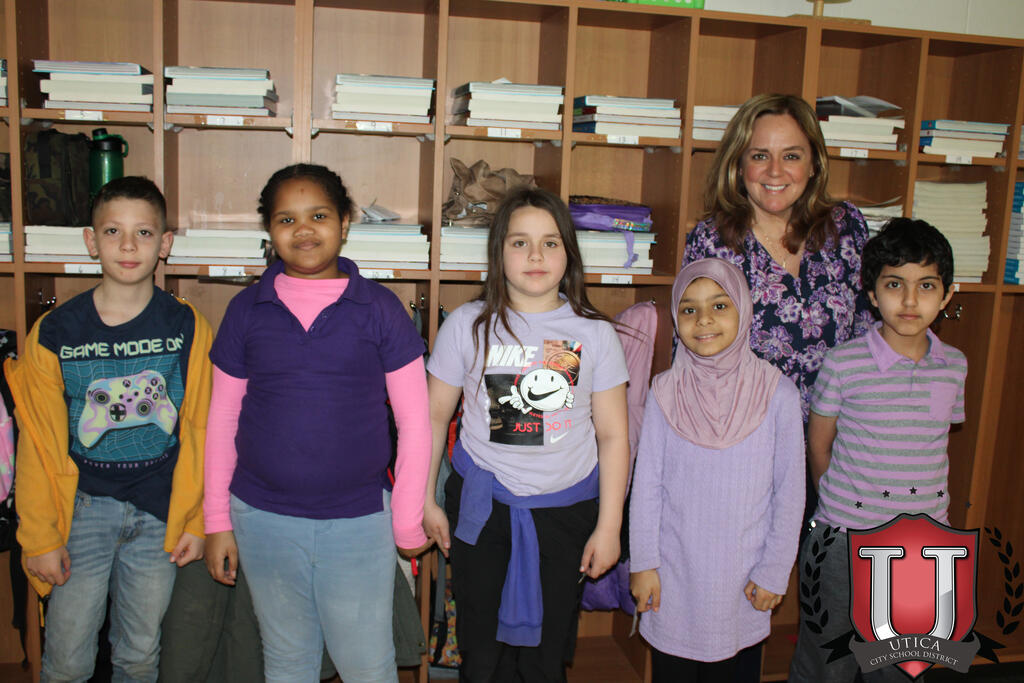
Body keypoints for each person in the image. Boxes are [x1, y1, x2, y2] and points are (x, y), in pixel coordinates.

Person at [201, 163, 431, 682]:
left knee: (366, 664)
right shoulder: (246, 310)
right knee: (287, 658)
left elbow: (416, 422)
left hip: (359, 520)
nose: (303, 230)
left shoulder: (380, 309)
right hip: (262, 518)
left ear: (345, 222)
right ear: (269, 229)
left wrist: (406, 519)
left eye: (319, 216)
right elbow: (222, 421)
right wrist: (217, 521)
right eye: (287, 219)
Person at [4, 176, 212, 681]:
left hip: (159, 512)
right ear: (91, 241)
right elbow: (38, 440)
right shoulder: (55, 332)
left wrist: (196, 520)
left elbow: (203, 428)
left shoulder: (187, 326)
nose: (128, 245)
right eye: (113, 231)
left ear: (164, 244)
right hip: (83, 511)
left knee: (139, 654)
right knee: (67, 657)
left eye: (144, 233)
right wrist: (39, 537)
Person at [422, 187, 630, 682]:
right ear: (498, 253)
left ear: (568, 253)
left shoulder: (596, 334)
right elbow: (432, 417)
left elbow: (614, 437)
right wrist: (425, 499)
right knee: (482, 653)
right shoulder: (467, 325)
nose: (535, 256)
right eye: (520, 243)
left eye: (550, 243)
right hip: (482, 511)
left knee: (545, 657)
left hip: (566, 516)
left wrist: (609, 527)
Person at [788, 218, 966, 683]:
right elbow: (819, 444)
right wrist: (844, 508)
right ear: (871, 293)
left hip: (921, 549)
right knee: (826, 664)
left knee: (902, 668)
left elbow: (935, 443)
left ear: (947, 295)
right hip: (841, 543)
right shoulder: (843, 363)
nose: (909, 301)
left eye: (926, 286)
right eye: (894, 284)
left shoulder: (954, 366)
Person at [629, 258, 805, 682]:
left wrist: (774, 572)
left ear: (743, 310)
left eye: (720, 306)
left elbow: (790, 494)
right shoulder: (664, 390)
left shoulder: (778, 393)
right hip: (673, 579)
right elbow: (647, 486)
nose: (703, 319)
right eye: (688, 309)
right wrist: (643, 564)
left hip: (744, 581)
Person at [682, 93, 875, 420]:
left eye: (791, 156)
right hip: (746, 435)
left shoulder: (846, 227)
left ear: (813, 164)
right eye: (760, 155)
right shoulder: (712, 241)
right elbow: (692, 355)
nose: (775, 171)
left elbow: (869, 335)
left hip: (835, 435)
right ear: (739, 164)